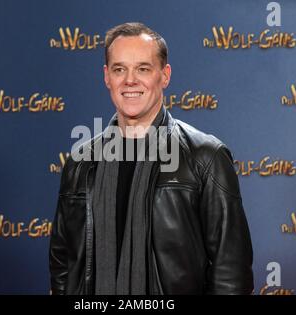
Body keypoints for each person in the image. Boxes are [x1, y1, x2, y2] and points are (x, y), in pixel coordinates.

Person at [49, 22, 253, 295]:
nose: (130, 80)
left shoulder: (206, 157)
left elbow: (231, 273)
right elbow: (63, 262)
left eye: (143, 69)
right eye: (120, 69)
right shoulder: (81, 163)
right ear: (106, 77)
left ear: (165, 76)